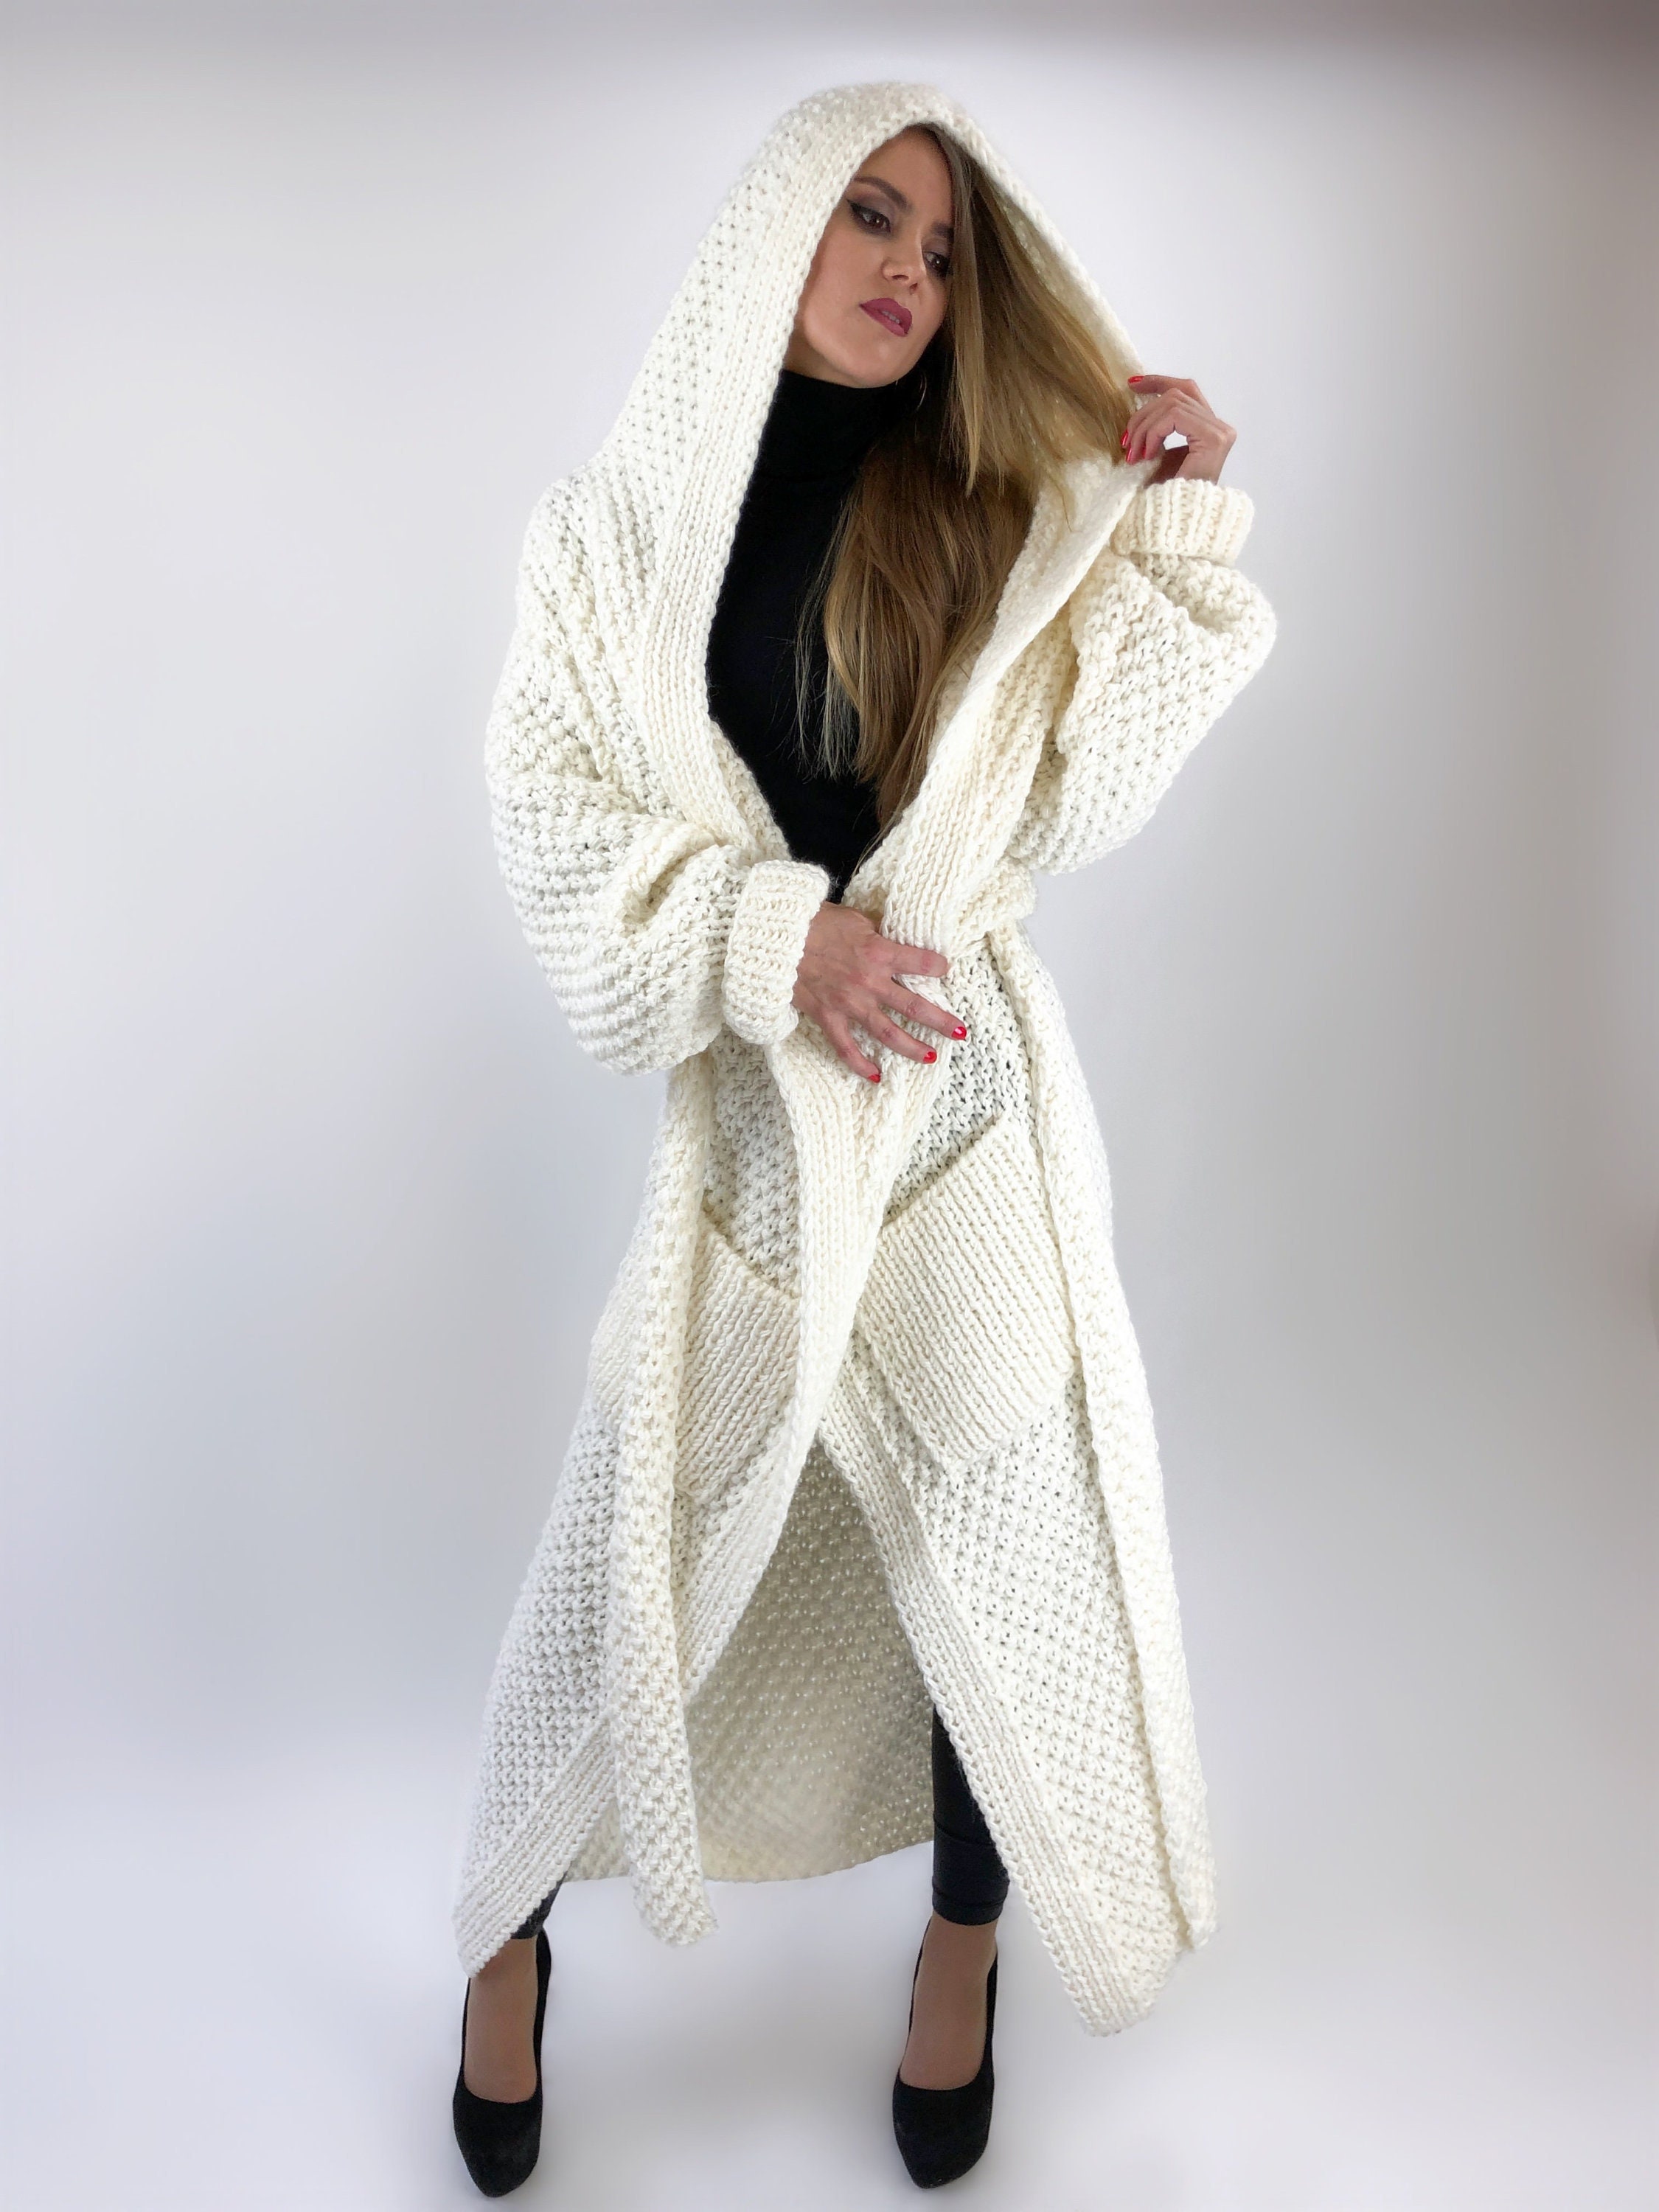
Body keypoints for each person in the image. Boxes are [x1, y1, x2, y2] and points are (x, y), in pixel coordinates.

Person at [449, 81, 1276, 2197]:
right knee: (619, 1550)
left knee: (999, 1550)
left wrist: (1170, 528)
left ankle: (962, 1949)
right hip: (750, 1140)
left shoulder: (981, 513)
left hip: (958, 1111)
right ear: (775, 228)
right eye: (872, 218)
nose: (909, 271)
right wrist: (768, 941)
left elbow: (1080, 788)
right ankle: (507, 1930)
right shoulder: (607, 539)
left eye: (942, 251)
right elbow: (553, 830)